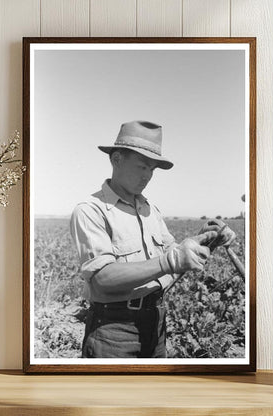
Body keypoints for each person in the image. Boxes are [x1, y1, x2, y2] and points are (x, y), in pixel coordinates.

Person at [70, 120, 235, 358]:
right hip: (114, 330)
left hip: (156, 323)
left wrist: (207, 238)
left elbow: (172, 252)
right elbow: (102, 278)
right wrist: (169, 262)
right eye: (142, 167)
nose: (148, 176)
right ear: (116, 159)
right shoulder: (90, 210)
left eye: (152, 170)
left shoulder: (150, 209)